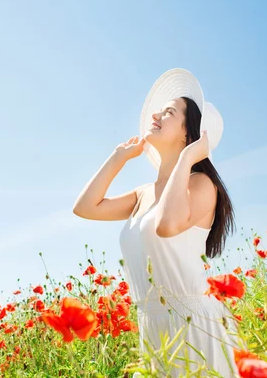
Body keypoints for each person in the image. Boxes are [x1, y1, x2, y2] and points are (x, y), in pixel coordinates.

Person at [73, 68, 240, 377]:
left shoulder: (202, 185)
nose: (157, 115)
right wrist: (118, 157)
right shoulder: (143, 194)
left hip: (193, 327)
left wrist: (188, 159)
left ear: (187, 134)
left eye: (169, 112)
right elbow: (85, 208)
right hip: (152, 327)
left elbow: (166, 225)